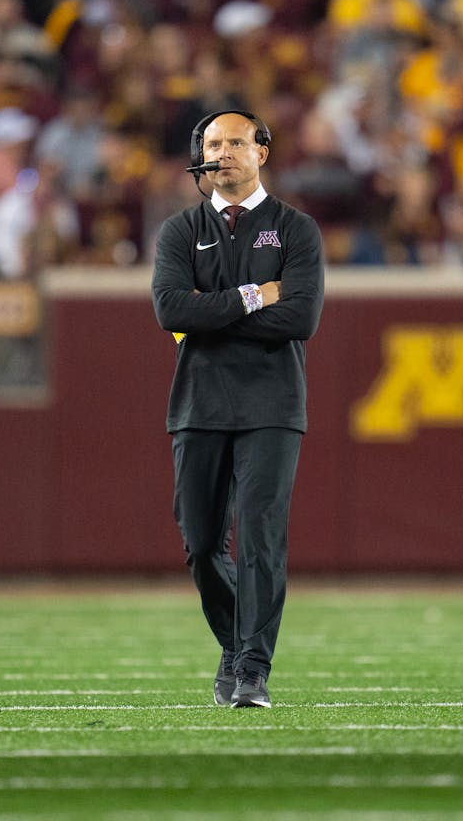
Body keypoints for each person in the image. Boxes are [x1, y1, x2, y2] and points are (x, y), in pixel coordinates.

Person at [150, 110, 324, 709]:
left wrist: (213, 313)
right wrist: (254, 296)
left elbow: (300, 318)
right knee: (201, 543)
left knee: (260, 539)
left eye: (234, 142)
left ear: (262, 152)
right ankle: (235, 643)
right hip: (198, 403)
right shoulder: (179, 231)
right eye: (212, 143)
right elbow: (172, 310)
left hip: (272, 403)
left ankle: (253, 668)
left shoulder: (296, 230)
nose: (221, 152)